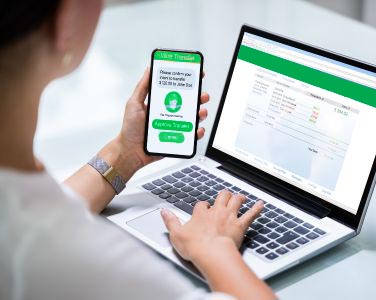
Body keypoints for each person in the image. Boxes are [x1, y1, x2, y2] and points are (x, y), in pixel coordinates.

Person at [0, 1, 277, 300]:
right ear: (64, 19)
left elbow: (34, 210)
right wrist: (215, 248)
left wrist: (125, 154)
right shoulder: (85, 265)